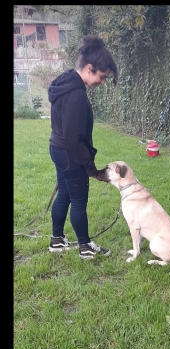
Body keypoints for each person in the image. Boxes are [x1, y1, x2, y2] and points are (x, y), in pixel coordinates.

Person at [48, 35, 118, 259]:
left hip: (58, 149)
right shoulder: (76, 95)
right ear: (90, 68)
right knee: (78, 200)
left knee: (65, 194)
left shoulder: (67, 80)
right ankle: (85, 247)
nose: (102, 82)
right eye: (102, 76)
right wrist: (91, 168)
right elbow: (73, 138)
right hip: (69, 153)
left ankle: (57, 240)